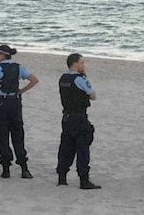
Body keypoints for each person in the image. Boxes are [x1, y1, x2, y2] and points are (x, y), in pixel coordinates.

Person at [0, 44, 39, 179]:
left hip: (1, 103)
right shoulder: (18, 67)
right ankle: (24, 168)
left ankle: (6, 168)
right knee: (18, 134)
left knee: (2, 135)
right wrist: (20, 92)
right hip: (15, 102)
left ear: (2, 55)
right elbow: (34, 80)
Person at [56, 53, 101, 189]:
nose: (83, 65)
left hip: (67, 117)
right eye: (82, 63)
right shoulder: (79, 80)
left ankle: (62, 177)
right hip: (79, 116)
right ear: (75, 64)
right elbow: (93, 96)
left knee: (66, 147)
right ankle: (84, 180)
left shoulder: (63, 78)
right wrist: (85, 78)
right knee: (82, 147)